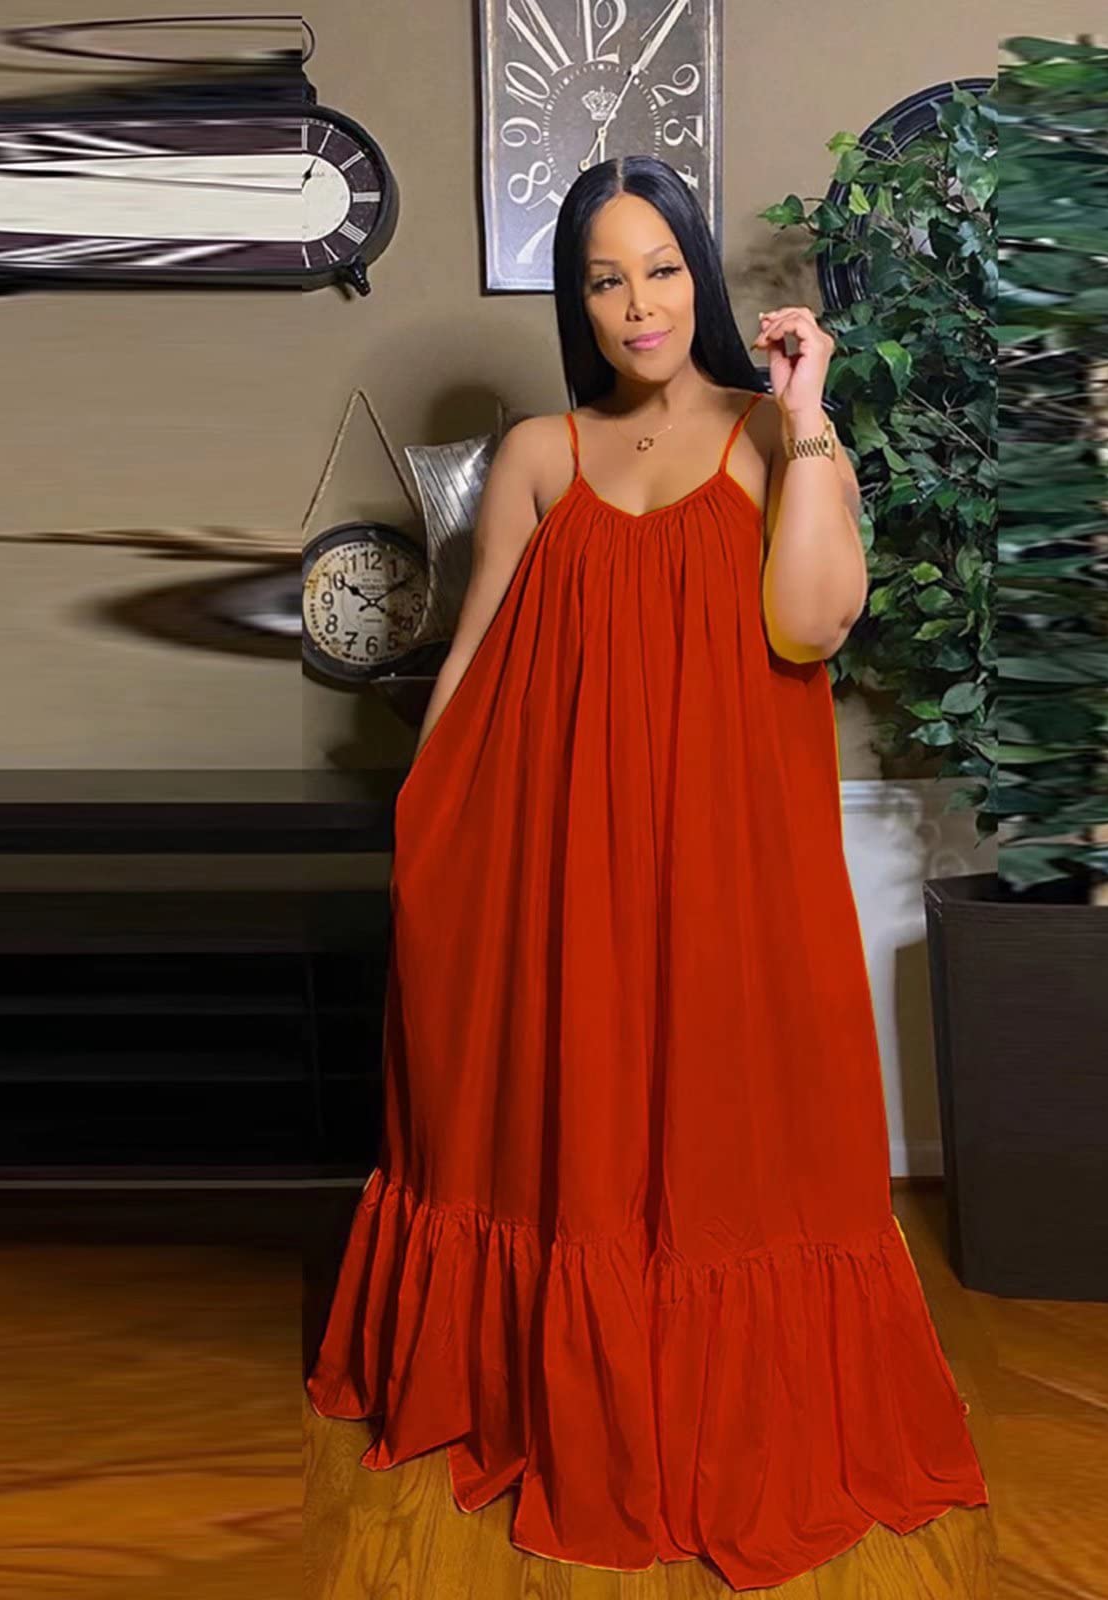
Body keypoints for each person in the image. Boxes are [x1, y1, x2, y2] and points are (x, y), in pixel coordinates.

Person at [304, 154, 988, 1592]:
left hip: (734, 861)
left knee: (732, 1140)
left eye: (662, 268)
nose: (639, 304)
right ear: (579, 299)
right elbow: (477, 655)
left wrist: (809, 416)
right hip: (556, 861)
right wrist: (425, 820)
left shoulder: (773, 433)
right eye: (605, 279)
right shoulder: (539, 457)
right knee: (575, 1132)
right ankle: (573, 1409)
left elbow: (812, 626)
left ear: (699, 276)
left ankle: (722, 1433)